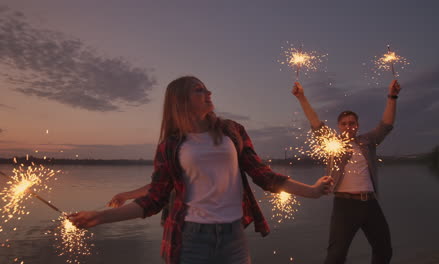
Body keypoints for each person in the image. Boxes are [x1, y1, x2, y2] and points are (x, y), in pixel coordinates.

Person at [70, 76, 334, 264]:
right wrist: (101, 217)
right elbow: (154, 199)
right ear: (181, 101)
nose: (209, 94)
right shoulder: (171, 146)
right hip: (191, 239)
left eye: (207, 89)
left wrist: (311, 191)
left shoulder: (232, 131)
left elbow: (263, 175)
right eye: (199, 90)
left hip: (233, 236)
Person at [291, 80, 401, 264]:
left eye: (352, 123)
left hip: (371, 203)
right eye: (344, 124)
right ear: (338, 126)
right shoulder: (333, 144)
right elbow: (316, 124)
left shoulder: (367, 141)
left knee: (384, 250)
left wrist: (392, 96)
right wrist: (301, 97)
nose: (348, 126)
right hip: (345, 205)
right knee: (336, 256)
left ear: (357, 125)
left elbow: (386, 125)